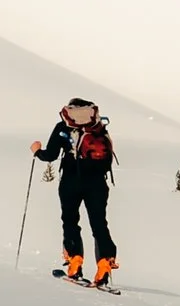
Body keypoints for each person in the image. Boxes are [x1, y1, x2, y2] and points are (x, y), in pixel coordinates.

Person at [37, 98, 119, 287]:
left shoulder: (63, 126)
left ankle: (75, 263)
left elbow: (50, 155)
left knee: (70, 220)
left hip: (71, 182)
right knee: (99, 224)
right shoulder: (97, 127)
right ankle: (105, 264)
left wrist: (36, 151)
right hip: (98, 183)